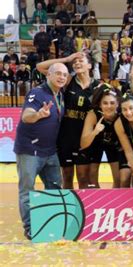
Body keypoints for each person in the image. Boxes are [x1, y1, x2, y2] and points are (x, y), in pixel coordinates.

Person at [15, 62, 68, 240]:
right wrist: (38, 115)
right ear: (48, 75)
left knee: (54, 187)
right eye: (58, 73)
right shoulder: (37, 93)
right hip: (30, 150)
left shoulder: (60, 95)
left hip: (50, 151)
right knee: (27, 190)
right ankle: (30, 228)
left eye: (65, 75)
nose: (62, 77)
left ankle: (51, 223)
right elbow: (26, 116)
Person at [37, 52, 100, 189]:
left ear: (89, 65)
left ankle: (84, 209)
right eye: (74, 61)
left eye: (80, 60)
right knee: (67, 176)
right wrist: (66, 59)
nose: (76, 63)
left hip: (85, 139)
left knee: (84, 177)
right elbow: (40, 67)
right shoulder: (68, 80)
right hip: (66, 138)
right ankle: (69, 209)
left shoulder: (98, 87)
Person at [80, 84, 122, 188]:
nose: (109, 106)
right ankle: (96, 202)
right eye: (105, 103)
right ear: (99, 104)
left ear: (117, 104)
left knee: (118, 178)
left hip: (114, 143)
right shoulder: (93, 114)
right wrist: (94, 132)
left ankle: (116, 202)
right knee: (92, 176)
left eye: (112, 103)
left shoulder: (121, 116)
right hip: (96, 142)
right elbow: (83, 144)